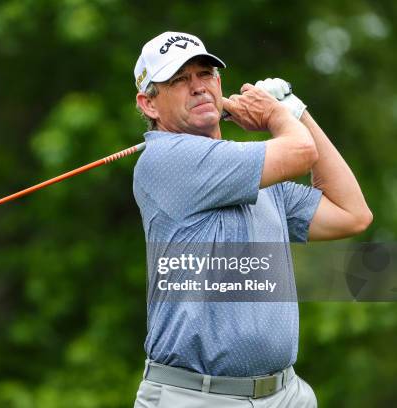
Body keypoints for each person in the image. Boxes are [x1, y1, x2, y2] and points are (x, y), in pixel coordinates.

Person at [132, 31, 373, 407]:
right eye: (179, 80)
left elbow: (351, 214)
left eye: (206, 75)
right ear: (149, 104)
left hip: (285, 394)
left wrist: (297, 111)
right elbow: (298, 151)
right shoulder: (165, 159)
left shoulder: (250, 173)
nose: (197, 87)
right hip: (197, 397)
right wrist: (280, 114)